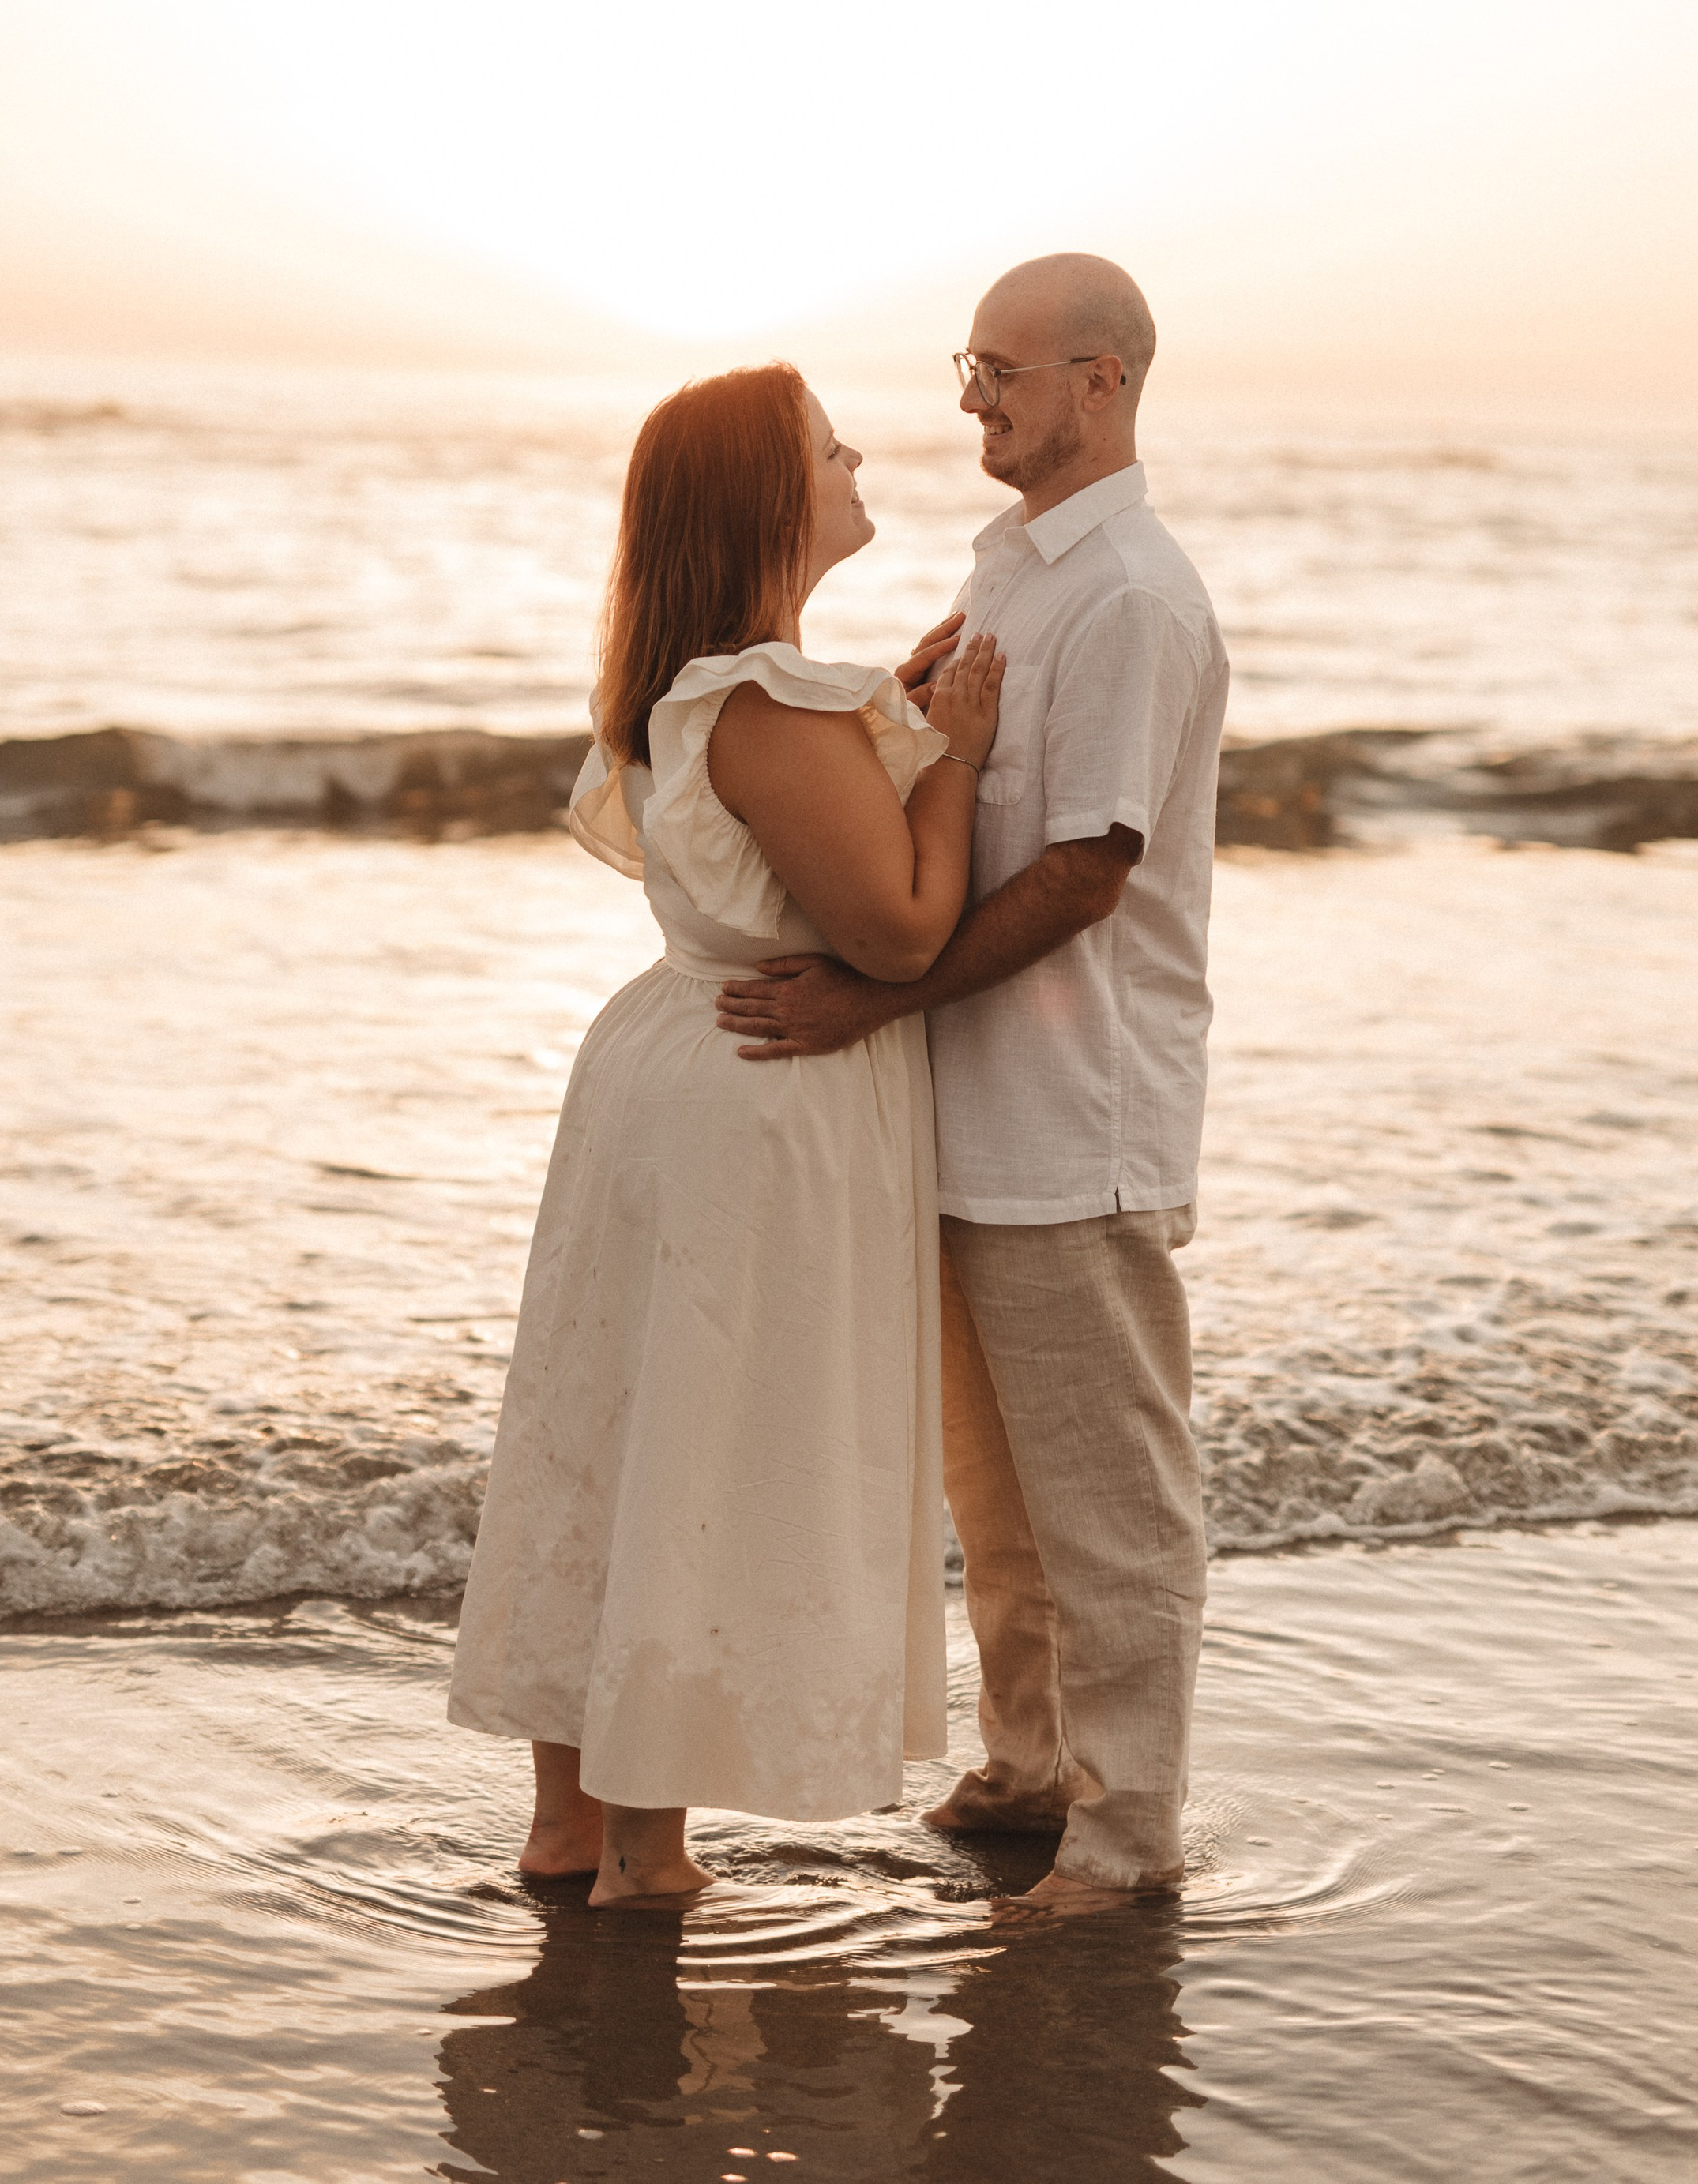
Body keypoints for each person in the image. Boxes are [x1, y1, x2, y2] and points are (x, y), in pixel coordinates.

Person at [447, 362, 1005, 1905]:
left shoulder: (704, 688)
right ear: (768, 498)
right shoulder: (769, 701)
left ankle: (573, 1828)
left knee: (622, 1432)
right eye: (826, 447)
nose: (854, 456)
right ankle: (648, 1855)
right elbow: (898, 929)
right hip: (758, 1097)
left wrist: (891, 724)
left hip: (670, 1069)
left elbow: (782, 844)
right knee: (709, 1441)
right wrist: (954, 756)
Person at [717, 255, 1227, 1904]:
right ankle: (1026, 1768)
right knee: (997, 1496)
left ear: (1101, 382)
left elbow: (1084, 873)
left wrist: (869, 1000)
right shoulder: (1013, 567)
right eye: (969, 366)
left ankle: (1127, 1832)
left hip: (1078, 1121)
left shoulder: (1129, 596)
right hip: (966, 1106)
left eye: (1002, 371)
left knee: (1109, 1503)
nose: (970, 399)